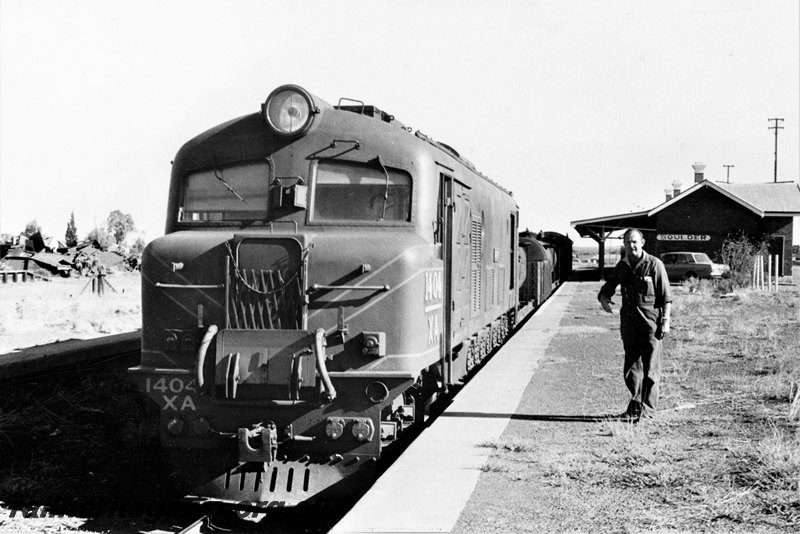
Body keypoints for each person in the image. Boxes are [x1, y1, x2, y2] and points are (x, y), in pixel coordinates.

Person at [598, 228, 671, 421]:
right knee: (631, 369)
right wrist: (604, 298)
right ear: (624, 244)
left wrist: (665, 321)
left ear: (642, 243)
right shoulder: (623, 266)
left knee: (651, 369)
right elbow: (609, 286)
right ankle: (636, 405)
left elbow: (666, 297)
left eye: (634, 242)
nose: (631, 245)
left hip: (651, 324)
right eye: (628, 242)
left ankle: (648, 411)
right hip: (629, 324)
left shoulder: (654, 264)